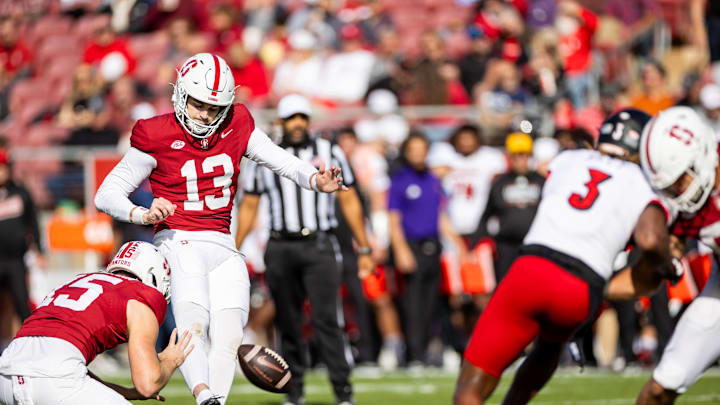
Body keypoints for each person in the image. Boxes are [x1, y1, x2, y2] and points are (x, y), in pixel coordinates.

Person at [94, 53, 346, 405]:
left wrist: (314, 180)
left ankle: (217, 401)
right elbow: (106, 194)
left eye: (215, 107)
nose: (206, 115)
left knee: (229, 335)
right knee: (193, 323)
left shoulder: (237, 121)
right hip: (179, 240)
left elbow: (279, 159)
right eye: (198, 104)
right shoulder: (155, 133)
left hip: (224, 243)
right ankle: (203, 396)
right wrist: (142, 213)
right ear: (180, 94)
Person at [453, 108, 678, 405]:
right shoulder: (644, 182)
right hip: (582, 289)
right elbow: (651, 240)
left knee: (473, 382)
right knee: (550, 344)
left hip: (533, 268)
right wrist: (668, 265)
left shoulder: (568, 159)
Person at [235, 94, 373, 405]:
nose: (298, 124)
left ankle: (343, 393)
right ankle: (293, 392)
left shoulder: (329, 151)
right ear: (281, 122)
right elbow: (250, 205)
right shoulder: (264, 154)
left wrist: (364, 246)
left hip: (319, 245)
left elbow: (348, 199)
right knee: (288, 321)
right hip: (281, 245)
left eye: (302, 117)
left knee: (328, 320)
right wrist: (234, 249)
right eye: (291, 118)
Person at [0, 241, 192, 404]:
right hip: (54, 378)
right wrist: (170, 361)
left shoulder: (79, 280)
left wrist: (126, 392)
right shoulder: (139, 297)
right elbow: (148, 384)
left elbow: (68, 366)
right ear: (152, 275)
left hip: (7, 373)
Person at [635, 107, 720, 405]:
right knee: (660, 388)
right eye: (669, 187)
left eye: (680, 180)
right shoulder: (684, 203)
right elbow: (668, 248)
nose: (677, 193)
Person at [389, 131, 467, 366]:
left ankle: (430, 352)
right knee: (413, 303)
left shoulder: (433, 181)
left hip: (433, 245)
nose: (419, 155)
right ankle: (414, 354)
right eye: (414, 150)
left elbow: (440, 216)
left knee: (432, 302)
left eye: (422, 150)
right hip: (411, 245)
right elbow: (393, 220)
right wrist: (401, 250)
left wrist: (458, 242)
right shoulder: (400, 181)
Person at [477, 132, 544, 282]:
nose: (521, 159)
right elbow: (487, 213)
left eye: (524, 155)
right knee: (506, 284)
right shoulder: (500, 182)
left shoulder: (541, 181)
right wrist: (479, 241)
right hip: (506, 246)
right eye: (516, 155)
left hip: (535, 246)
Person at [0, 146, 42, 327]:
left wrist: (39, 250)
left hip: (16, 260)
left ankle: (29, 346)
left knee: (22, 305)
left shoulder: (20, 193)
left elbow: (33, 223)